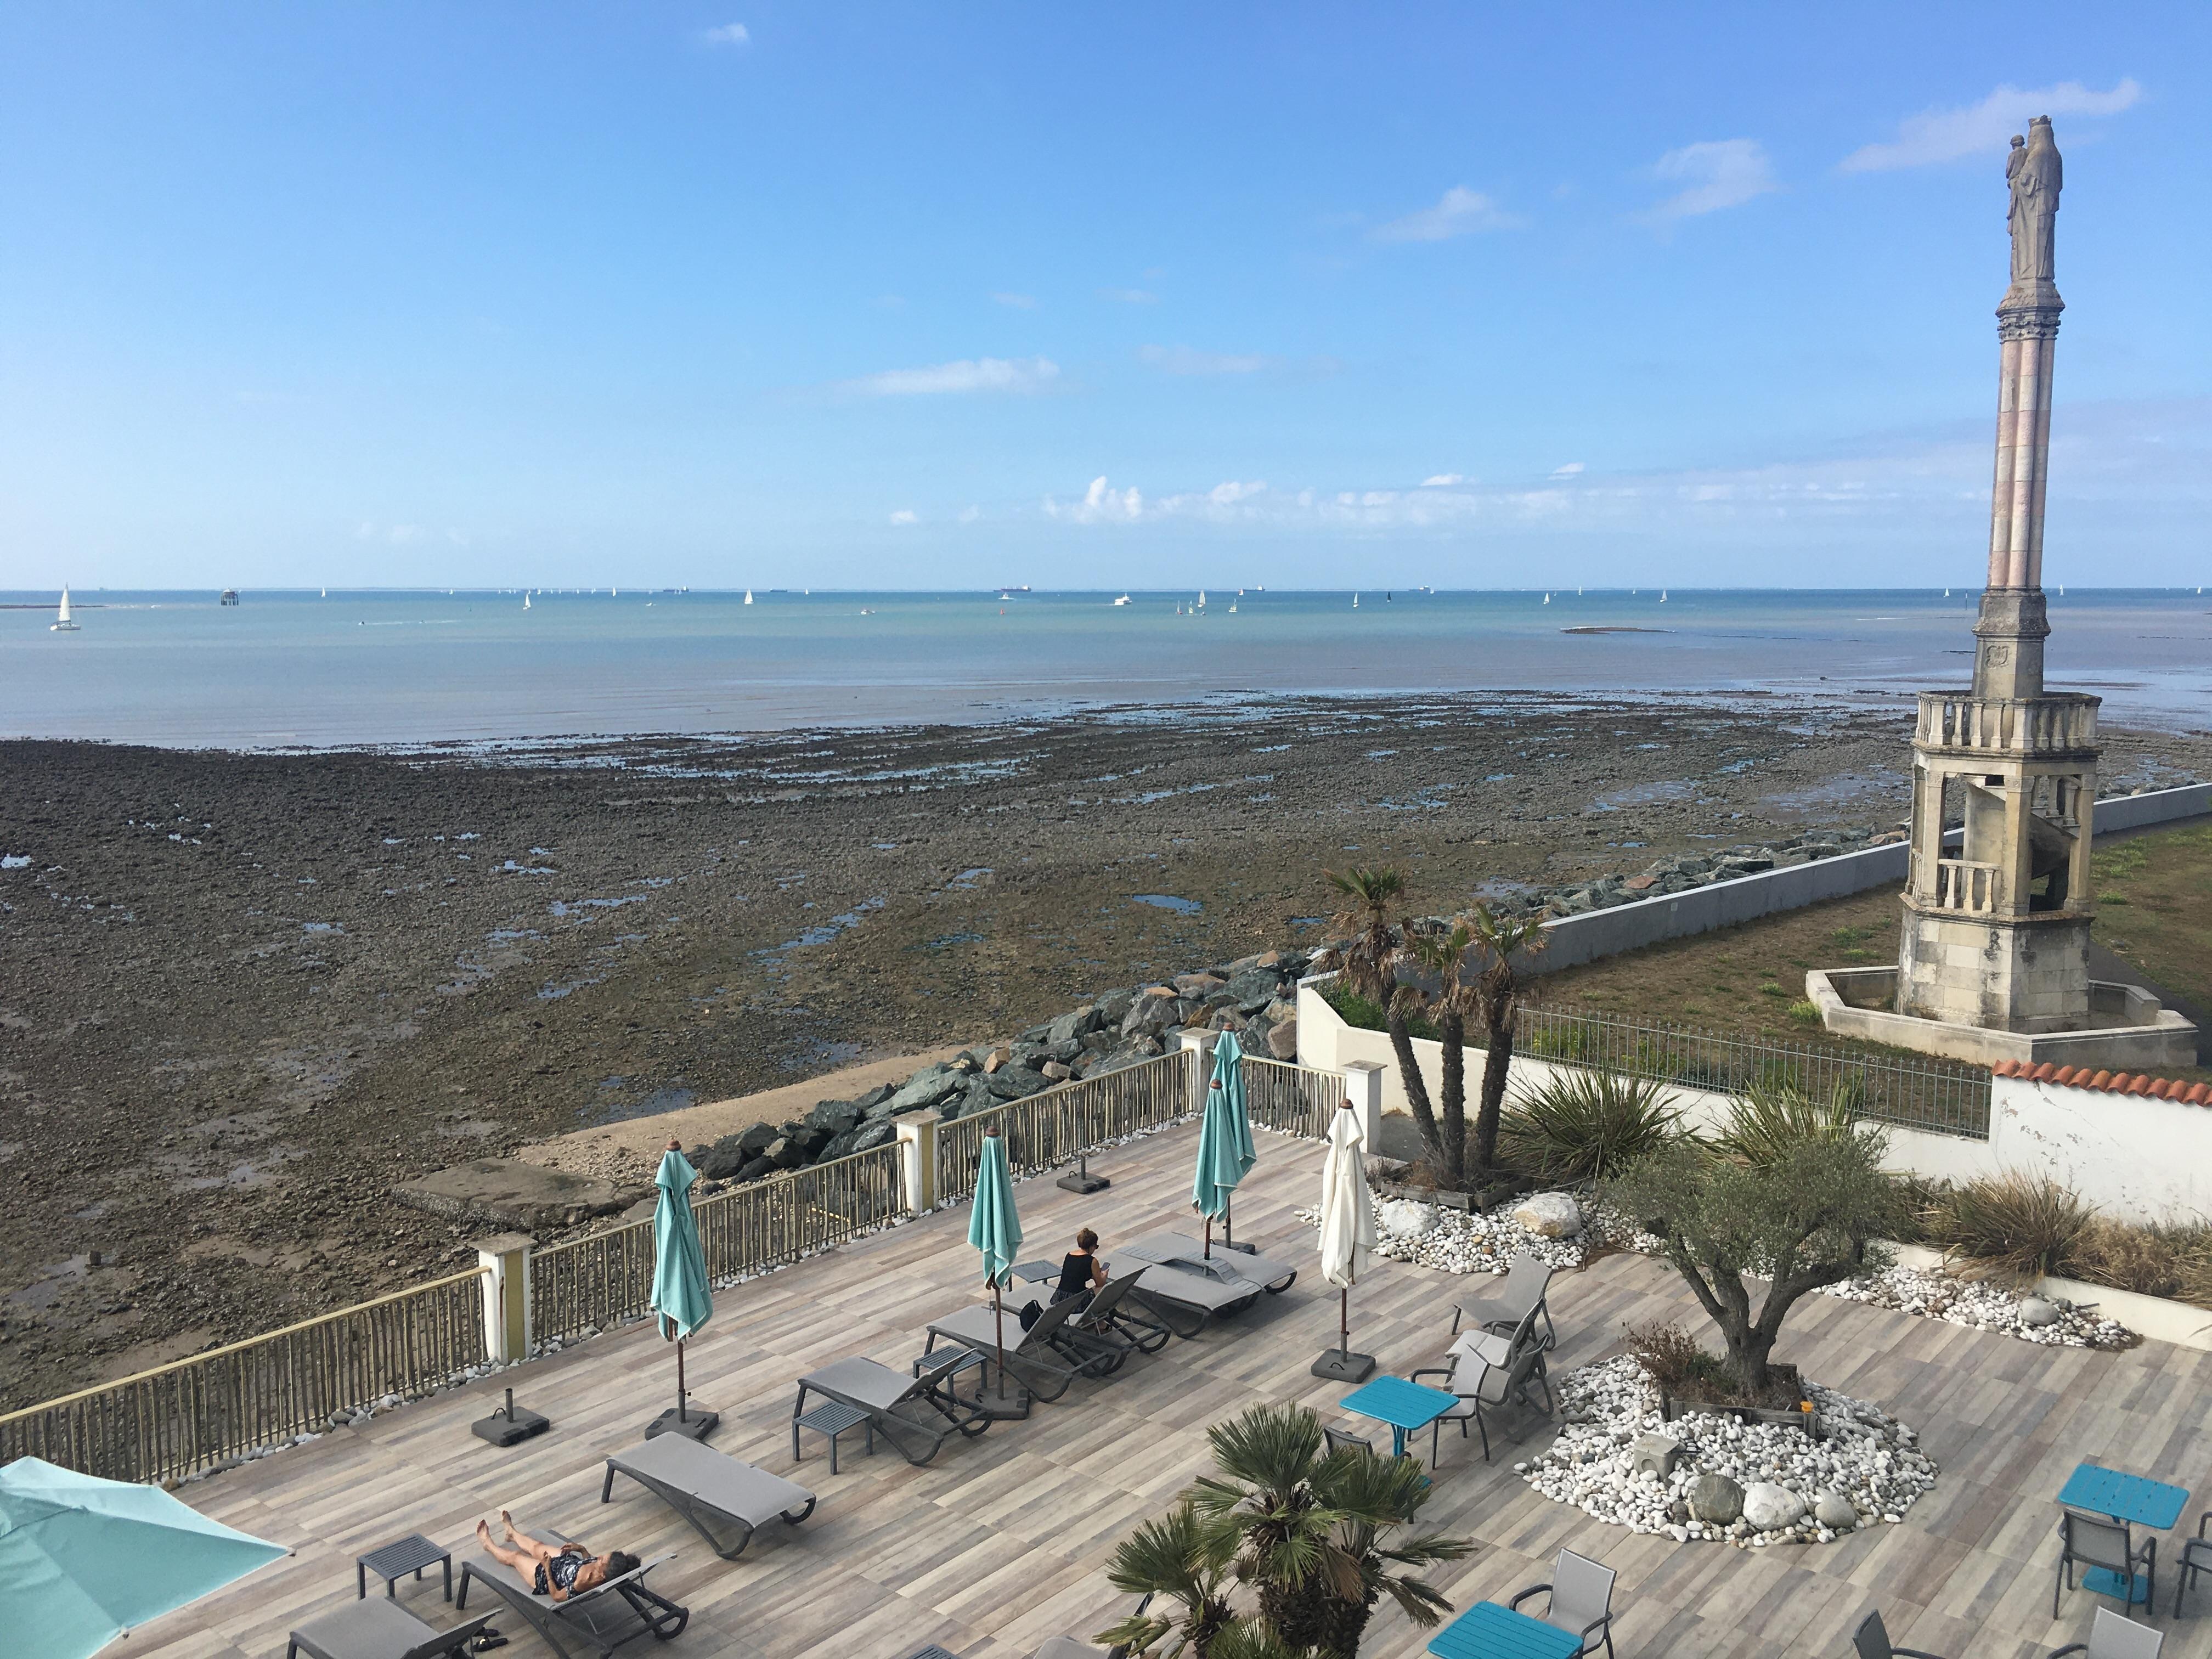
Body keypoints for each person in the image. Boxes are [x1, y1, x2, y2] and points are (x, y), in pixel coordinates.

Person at [475, 1511, 638, 1601]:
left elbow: (557, 1596)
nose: (599, 1557)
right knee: (536, 1546)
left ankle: (488, 1544)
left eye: (603, 1560)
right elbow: (588, 1560)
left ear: (603, 1574)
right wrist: (581, 1549)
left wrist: (546, 1569)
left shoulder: (584, 1583)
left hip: (546, 1577)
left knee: (516, 1557)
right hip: (566, 1563)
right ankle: (512, 1534)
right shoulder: (602, 1569)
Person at [1051, 1227, 1108, 1303]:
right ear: (1092, 1246)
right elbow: (1100, 1283)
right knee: (1103, 1288)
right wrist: (1104, 1275)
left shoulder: (1069, 1255)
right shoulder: (1092, 1261)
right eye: (1096, 1247)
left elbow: (1076, 1275)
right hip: (1076, 1301)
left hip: (1059, 1297)